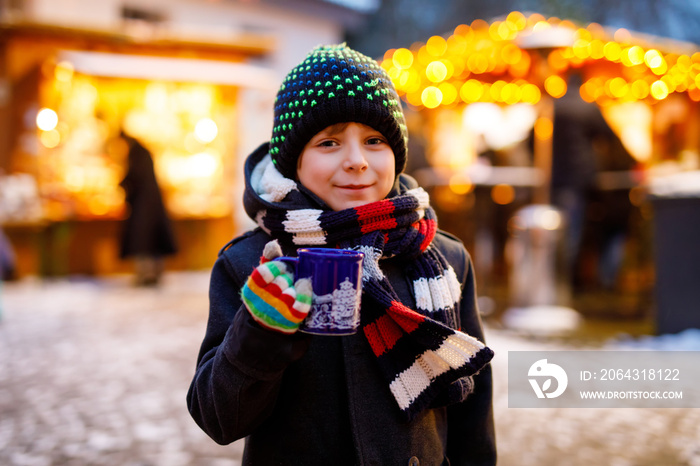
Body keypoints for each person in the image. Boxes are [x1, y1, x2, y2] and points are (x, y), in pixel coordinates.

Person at [187, 44, 495, 465]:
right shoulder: (251, 263)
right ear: (294, 160)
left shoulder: (443, 258)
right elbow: (219, 420)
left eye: (374, 141)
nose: (356, 161)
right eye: (329, 142)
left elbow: (472, 409)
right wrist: (259, 330)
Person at [119, 130, 177, 286]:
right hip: (151, 204)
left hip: (143, 207)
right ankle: (153, 274)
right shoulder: (142, 152)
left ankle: (147, 275)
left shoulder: (136, 153)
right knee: (152, 243)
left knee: (143, 243)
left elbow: (134, 176)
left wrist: (122, 183)